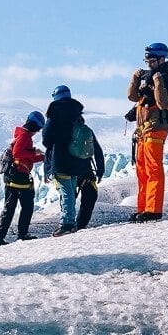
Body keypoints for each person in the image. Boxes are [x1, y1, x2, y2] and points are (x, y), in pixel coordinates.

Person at [42, 85, 105, 235]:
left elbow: (46, 141)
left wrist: (48, 168)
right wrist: (100, 168)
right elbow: (94, 145)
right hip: (79, 164)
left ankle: (67, 224)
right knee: (71, 192)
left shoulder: (54, 116)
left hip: (61, 161)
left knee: (66, 193)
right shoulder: (78, 118)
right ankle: (76, 224)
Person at [126, 42, 168, 222]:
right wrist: (135, 78)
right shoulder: (147, 77)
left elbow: (162, 103)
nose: (150, 65)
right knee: (142, 171)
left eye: (153, 61)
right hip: (142, 131)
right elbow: (132, 97)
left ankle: (154, 210)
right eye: (148, 61)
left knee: (153, 169)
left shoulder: (167, 78)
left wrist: (157, 80)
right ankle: (143, 208)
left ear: (162, 59)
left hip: (155, 130)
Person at [0, 111, 45, 246]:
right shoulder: (24, 136)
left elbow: (24, 157)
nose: (37, 132)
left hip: (14, 176)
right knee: (27, 206)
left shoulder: (23, 135)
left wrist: (41, 157)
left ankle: (0, 238)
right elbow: (18, 153)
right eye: (38, 129)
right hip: (18, 177)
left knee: (10, 208)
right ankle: (20, 234)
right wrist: (35, 152)